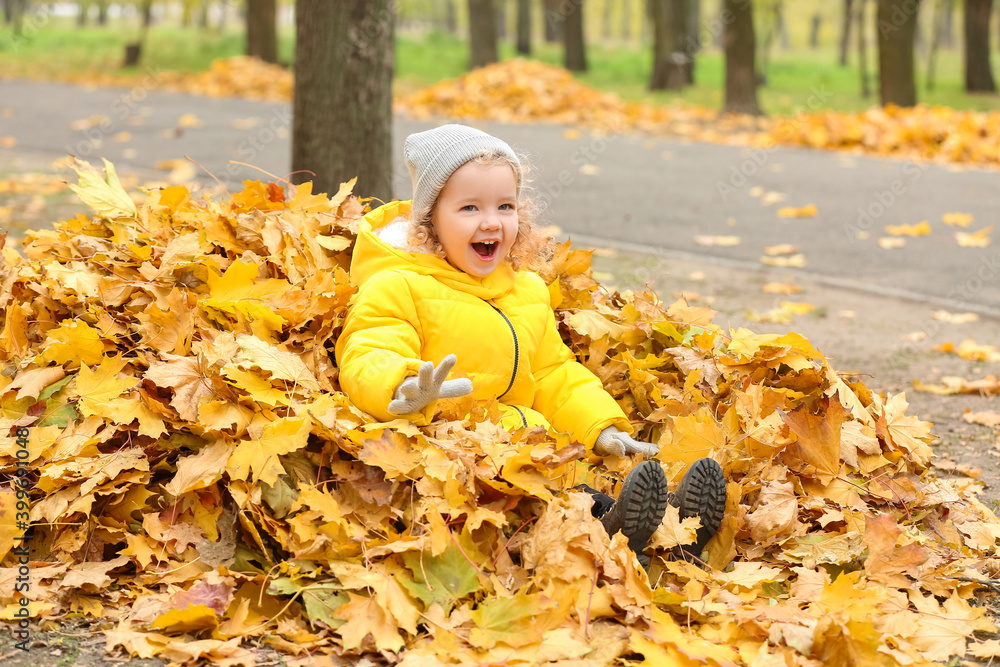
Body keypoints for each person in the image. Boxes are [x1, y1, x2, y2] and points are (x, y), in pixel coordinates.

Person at [335, 124, 726, 567]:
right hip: (458, 451)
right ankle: (607, 531)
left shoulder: (527, 291)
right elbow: (368, 350)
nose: (490, 221)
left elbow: (553, 374)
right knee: (551, 495)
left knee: (581, 472)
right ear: (429, 220)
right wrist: (402, 386)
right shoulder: (398, 285)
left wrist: (600, 427)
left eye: (505, 206)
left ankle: (675, 532)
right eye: (468, 207)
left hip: (535, 440)